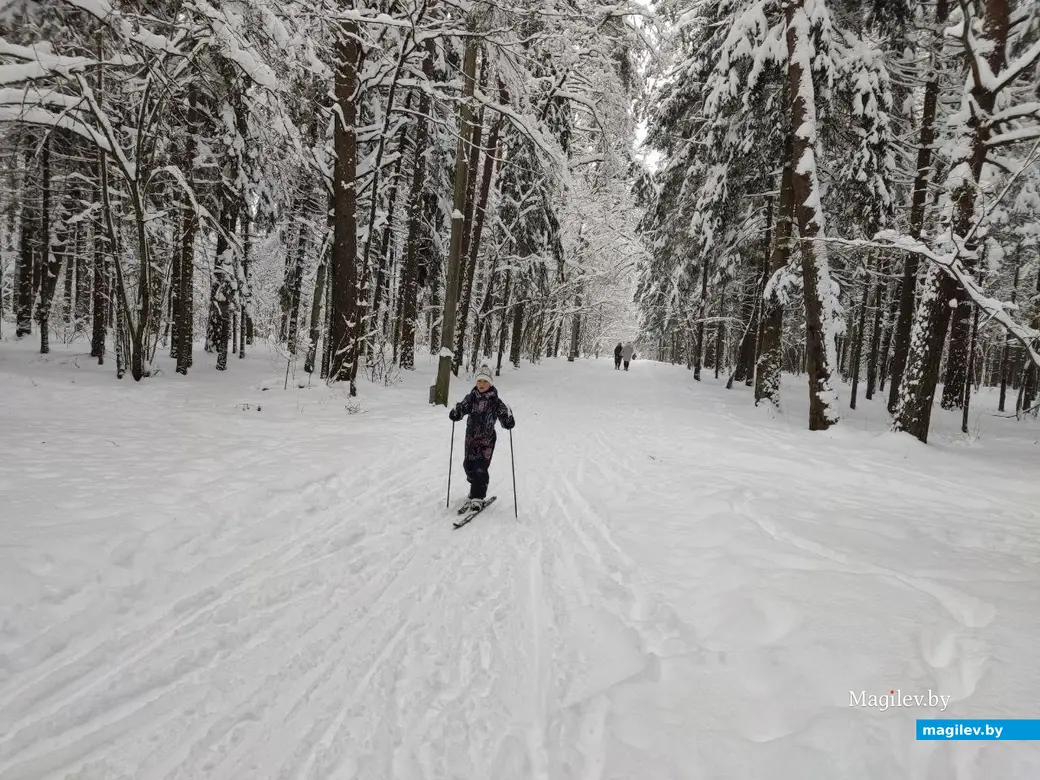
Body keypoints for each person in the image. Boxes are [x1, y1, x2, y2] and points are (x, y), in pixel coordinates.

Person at [448, 365, 515, 510]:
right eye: (479, 381)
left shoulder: (495, 401)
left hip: (487, 440)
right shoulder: (471, 398)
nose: (482, 384)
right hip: (471, 439)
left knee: (480, 467)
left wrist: (508, 421)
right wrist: (456, 413)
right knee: (468, 466)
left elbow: (504, 415)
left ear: (490, 383)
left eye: (485, 381)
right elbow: (462, 408)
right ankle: (474, 488)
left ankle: (478, 496)